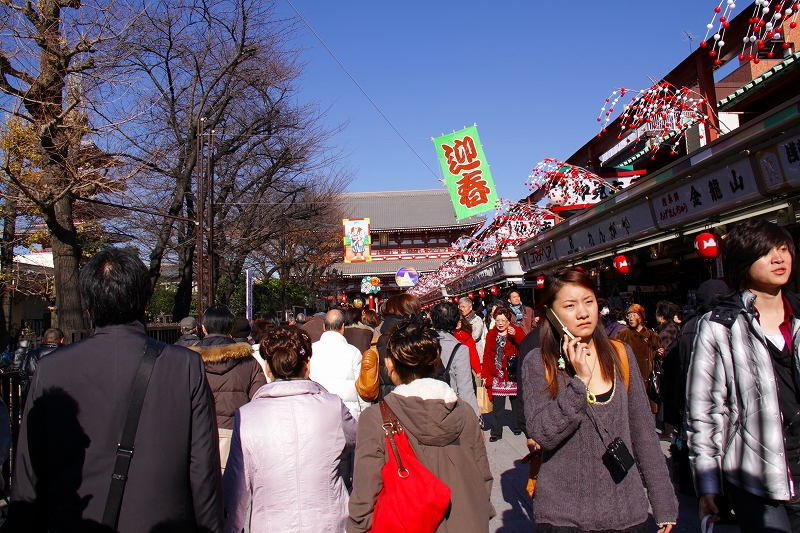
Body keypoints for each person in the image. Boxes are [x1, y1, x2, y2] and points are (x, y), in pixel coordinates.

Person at [6, 247, 223, 532]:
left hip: (74, 520)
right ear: (145, 302)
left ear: (88, 304)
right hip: (164, 521)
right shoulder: (184, 366)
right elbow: (203, 469)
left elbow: (28, 474)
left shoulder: (51, 370)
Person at [523, 267, 678, 532]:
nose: (583, 313)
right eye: (570, 305)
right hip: (563, 517)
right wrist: (579, 384)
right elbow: (543, 434)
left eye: (589, 301)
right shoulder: (539, 364)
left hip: (626, 511)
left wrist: (663, 502)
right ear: (550, 312)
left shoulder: (620, 354)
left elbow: (643, 433)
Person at [686, 220, 800, 531]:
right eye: (765, 252)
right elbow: (705, 410)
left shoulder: (798, 317)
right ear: (742, 262)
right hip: (755, 476)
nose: (779, 258)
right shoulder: (720, 326)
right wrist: (707, 484)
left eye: (783, 249)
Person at [347, 316, 494, 533]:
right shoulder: (464, 412)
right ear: (436, 363)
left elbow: (365, 493)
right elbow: (483, 477)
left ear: (388, 365)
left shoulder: (376, 418)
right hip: (467, 522)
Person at [224, 327, 357, 533]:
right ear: (307, 365)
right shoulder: (332, 406)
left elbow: (235, 489)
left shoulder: (247, 416)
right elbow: (355, 438)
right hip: (328, 524)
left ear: (268, 368)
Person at [190, 304, 267, 471]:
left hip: (198, 437)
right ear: (231, 327)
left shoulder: (188, 362)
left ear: (203, 328)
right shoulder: (249, 362)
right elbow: (259, 403)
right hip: (237, 435)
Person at [310, 309, 368, 420]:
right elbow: (362, 388)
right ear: (342, 327)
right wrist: (364, 413)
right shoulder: (354, 352)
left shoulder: (311, 350)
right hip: (348, 415)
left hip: (318, 412)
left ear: (323, 326)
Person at [429, 303, 480, 417]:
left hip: (425, 406)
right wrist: (476, 419)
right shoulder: (459, 349)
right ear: (456, 321)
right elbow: (465, 389)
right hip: (449, 407)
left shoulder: (422, 343)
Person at [483, 306, 526, 441]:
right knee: (498, 405)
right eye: (497, 320)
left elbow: (523, 345)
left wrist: (516, 335)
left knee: (515, 403)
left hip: (511, 373)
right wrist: (485, 374)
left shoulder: (516, 330)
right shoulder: (491, 334)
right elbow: (486, 354)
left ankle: (518, 427)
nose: (500, 323)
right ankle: (496, 432)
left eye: (503, 320)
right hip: (497, 374)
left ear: (509, 320)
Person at [615, 303, 662, 413]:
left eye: (634, 315)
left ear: (641, 317)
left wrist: (659, 353)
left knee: (648, 411)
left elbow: (656, 351)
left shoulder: (651, 335)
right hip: (630, 376)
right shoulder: (622, 334)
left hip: (647, 377)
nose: (631, 318)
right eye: (629, 316)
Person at [375, 294, 421, 400]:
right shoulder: (421, 335)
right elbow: (438, 375)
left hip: (389, 398)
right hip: (423, 400)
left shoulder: (383, 339)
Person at [19, 327, 64, 408]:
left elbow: (26, 375)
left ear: (45, 339)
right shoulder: (66, 353)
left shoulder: (34, 354)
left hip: (37, 396)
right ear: (61, 340)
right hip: (62, 396)